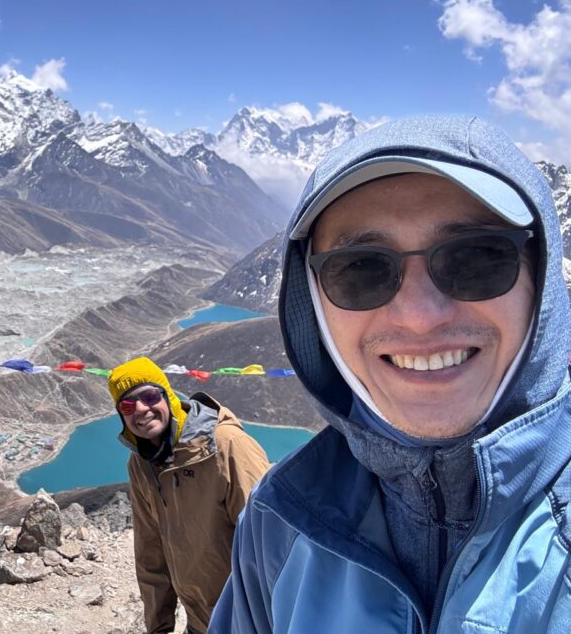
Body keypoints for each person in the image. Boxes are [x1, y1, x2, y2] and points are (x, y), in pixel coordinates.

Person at [209, 116, 571, 633]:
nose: (421, 315)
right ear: (314, 308)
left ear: (541, 279)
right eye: (360, 269)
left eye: (477, 257)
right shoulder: (278, 522)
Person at [110, 356, 270, 634]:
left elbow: (269, 543)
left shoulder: (227, 446)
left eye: (149, 396)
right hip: (200, 621)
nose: (140, 409)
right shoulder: (141, 464)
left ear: (168, 396)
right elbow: (151, 550)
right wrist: (158, 627)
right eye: (127, 405)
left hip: (249, 621)